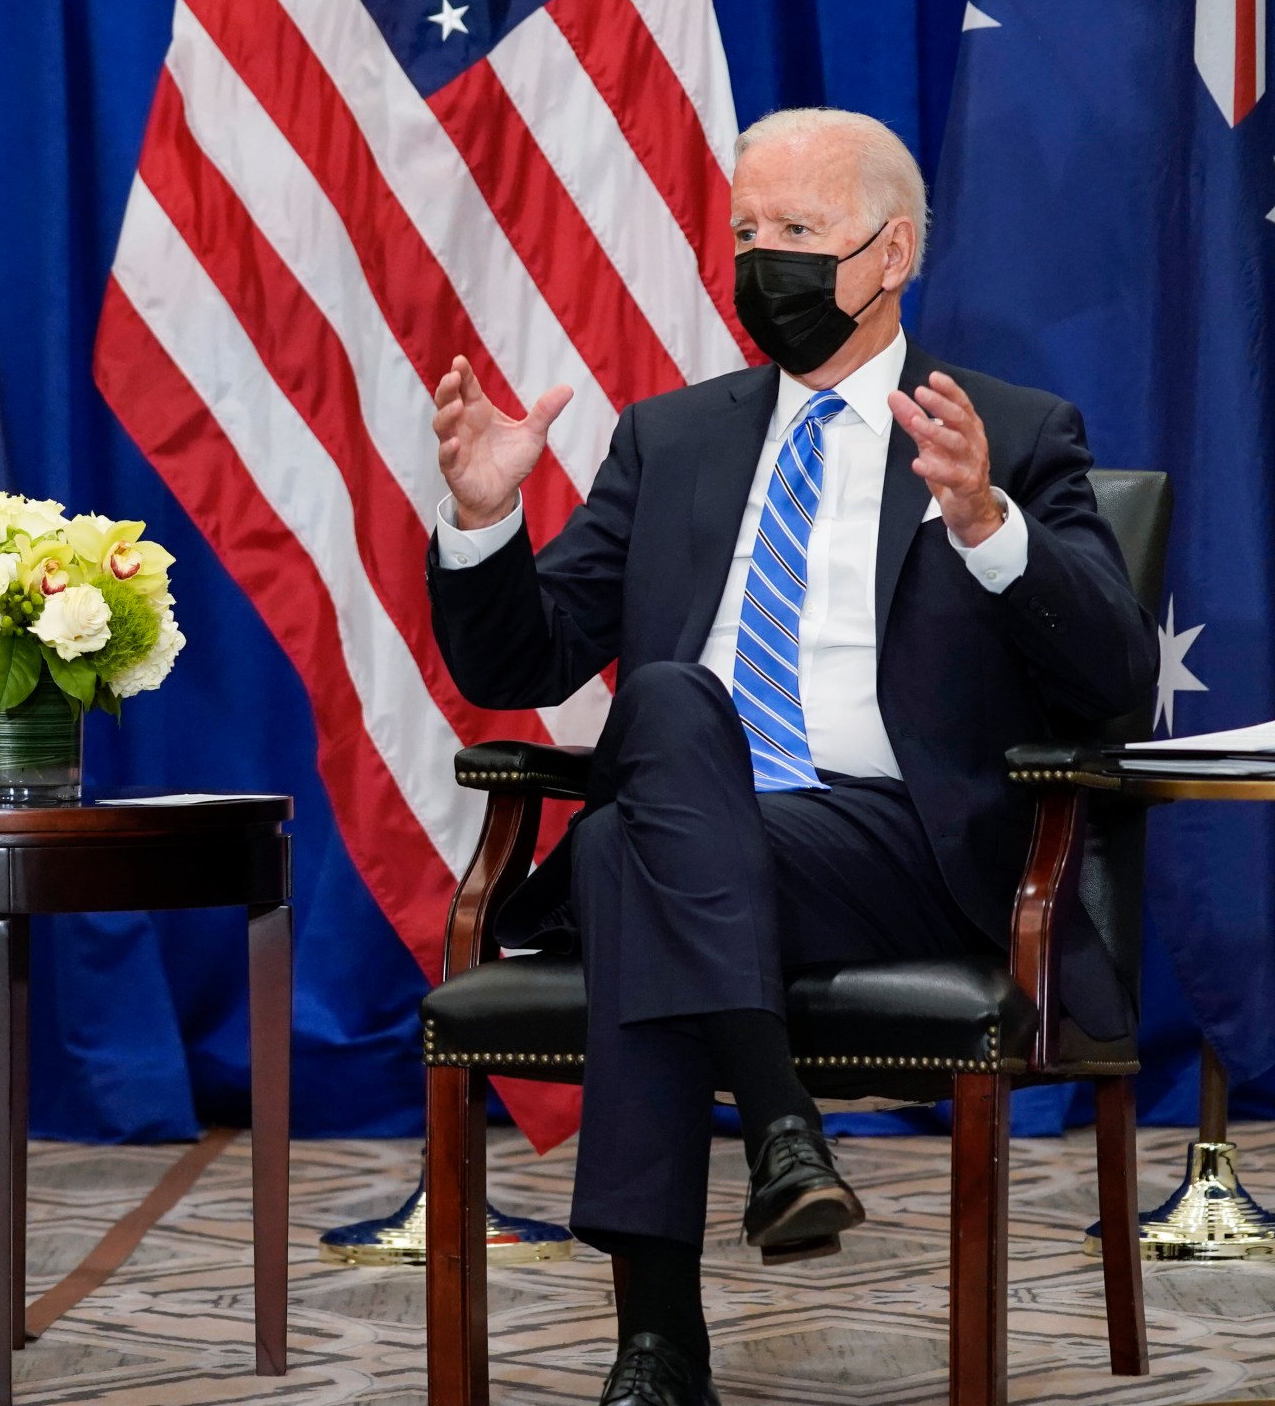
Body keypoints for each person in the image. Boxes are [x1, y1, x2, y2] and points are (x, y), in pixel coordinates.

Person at [424, 108, 1155, 1406]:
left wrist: (986, 529)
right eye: (746, 233)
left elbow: (1111, 682)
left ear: (893, 254)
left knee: (633, 830)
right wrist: (484, 527)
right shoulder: (673, 440)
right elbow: (516, 665)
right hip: (696, 823)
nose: (763, 261)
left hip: (897, 847)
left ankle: (664, 1334)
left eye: (800, 234)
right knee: (666, 712)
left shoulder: (1011, 432)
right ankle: (769, 1141)